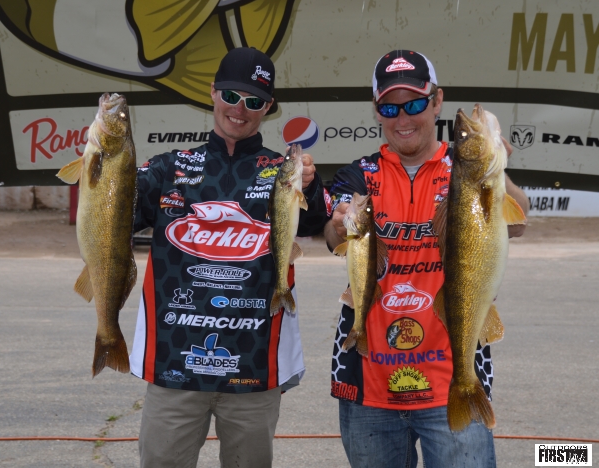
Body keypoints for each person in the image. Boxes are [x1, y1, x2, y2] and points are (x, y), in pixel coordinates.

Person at [324, 50, 529, 468]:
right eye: (390, 107)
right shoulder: (358, 174)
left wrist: (496, 169)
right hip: (368, 380)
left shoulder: (463, 168)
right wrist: (340, 224)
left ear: (437, 102)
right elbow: (332, 234)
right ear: (377, 111)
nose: (403, 117)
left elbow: (519, 221)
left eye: (415, 104)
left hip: (453, 375)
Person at [129, 47, 328, 468]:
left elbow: (319, 222)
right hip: (174, 366)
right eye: (232, 96)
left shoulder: (282, 171)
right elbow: (116, 215)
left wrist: (310, 186)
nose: (240, 109)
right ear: (213, 92)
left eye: (254, 101)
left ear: (268, 107)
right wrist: (103, 171)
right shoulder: (168, 168)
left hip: (253, 367)